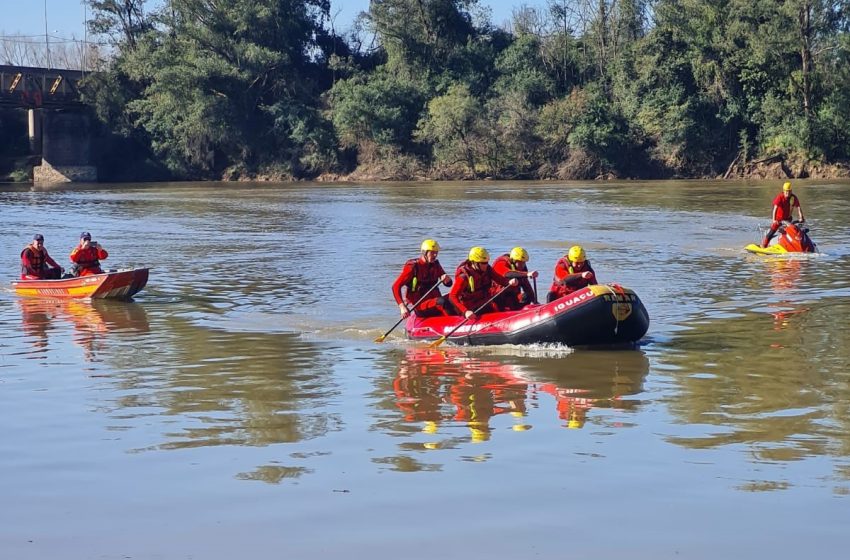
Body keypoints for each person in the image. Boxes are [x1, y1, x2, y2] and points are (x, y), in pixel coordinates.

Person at [449, 247, 518, 321]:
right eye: (483, 263)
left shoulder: (488, 269)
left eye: (487, 262)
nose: (486, 265)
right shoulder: (464, 277)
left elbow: (499, 279)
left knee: (504, 295)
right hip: (470, 308)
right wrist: (465, 312)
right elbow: (452, 296)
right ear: (474, 263)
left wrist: (509, 282)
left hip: (483, 302)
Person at [392, 239, 454, 318]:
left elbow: (449, 284)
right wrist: (402, 307)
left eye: (436, 252)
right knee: (442, 301)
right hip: (421, 306)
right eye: (432, 252)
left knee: (454, 297)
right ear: (424, 252)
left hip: (434, 301)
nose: (435, 255)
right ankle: (452, 322)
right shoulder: (413, 267)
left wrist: (447, 279)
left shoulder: (435, 265)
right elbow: (395, 286)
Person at [762, 181, 805, 248]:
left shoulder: (793, 198)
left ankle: (793, 245)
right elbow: (775, 209)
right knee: (771, 233)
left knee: (793, 232)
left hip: (787, 219)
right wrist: (774, 220)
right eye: (786, 191)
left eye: (789, 191)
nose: (788, 193)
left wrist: (801, 217)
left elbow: (798, 207)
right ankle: (763, 246)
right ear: (784, 191)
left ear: (791, 191)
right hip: (778, 220)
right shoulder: (780, 197)